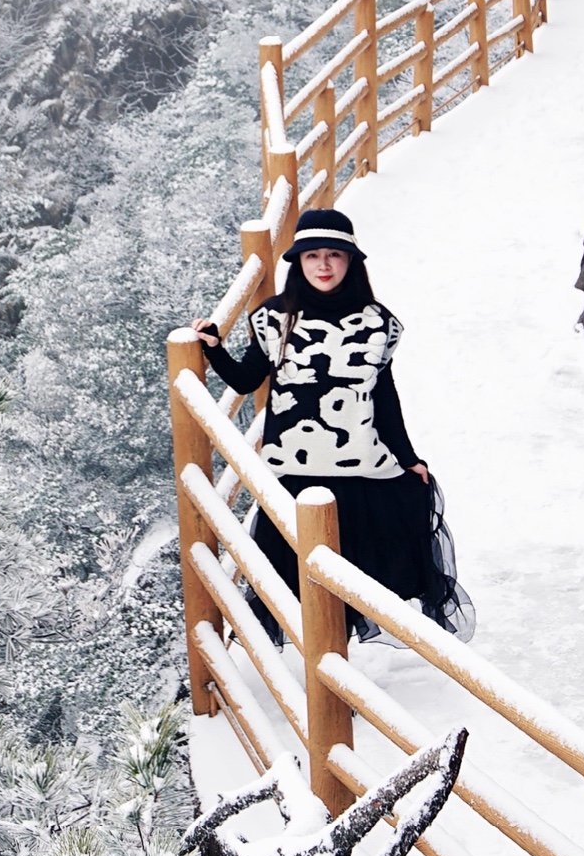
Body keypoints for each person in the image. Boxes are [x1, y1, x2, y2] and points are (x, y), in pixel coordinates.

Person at [191, 207, 474, 645]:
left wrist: (408, 458)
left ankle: (337, 680)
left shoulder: (377, 323)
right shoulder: (274, 319)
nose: (323, 265)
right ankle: (325, 681)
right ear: (299, 263)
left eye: (334, 255)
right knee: (301, 584)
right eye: (312, 256)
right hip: (295, 473)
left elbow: (384, 399)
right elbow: (248, 380)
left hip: (360, 471)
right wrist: (214, 349)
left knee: (352, 581)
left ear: (351, 261)